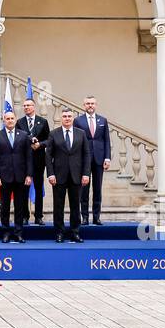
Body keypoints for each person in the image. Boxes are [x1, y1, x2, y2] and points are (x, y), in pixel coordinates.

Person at [46, 107, 90, 242]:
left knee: (75, 206)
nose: (67, 118)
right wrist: (50, 174)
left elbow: (86, 154)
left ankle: (75, 232)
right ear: (61, 118)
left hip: (76, 175)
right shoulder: (54, 134)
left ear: (73, 118)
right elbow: (48, 156)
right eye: (64, 116)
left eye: (69, 116)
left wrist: (86, 174)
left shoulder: (81, 133)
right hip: (58, 176)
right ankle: (59, 232)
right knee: (58, 206)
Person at [0, 111, 32, 244]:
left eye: (12, 118)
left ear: (15, 120)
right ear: (4, 120)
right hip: (4, 177)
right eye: (7, 119)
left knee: (20, 206)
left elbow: (29, 157)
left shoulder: (24, 135)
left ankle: (19, 233)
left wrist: (29, 175)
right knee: (5, 207)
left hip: (21, 177)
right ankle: (6, 232)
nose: (10, 120)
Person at [76, 96, 112, 225]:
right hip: (83, 160)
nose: (90, 105)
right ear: (84, 105)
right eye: (87, 103)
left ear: (96, 105)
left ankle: (96, 217)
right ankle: (84, 217)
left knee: (97, 189)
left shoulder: (103, 120)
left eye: (92, 103)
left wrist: (107, 157)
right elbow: (76, 141)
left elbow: (107, 140)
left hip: (99, 158)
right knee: (84, 189)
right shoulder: (78, 120)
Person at [18, 98, 50, 225]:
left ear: (34, 107)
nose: (26, 107)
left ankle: (38, 216)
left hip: (39, 159)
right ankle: (25, 216)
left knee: (38, 187)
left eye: (29, 105)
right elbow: (17, 138)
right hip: (24, 160)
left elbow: (49, 140)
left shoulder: (43, 121)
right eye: (25, 105)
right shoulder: (19, 122)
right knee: (24, 188)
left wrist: (40, 145)